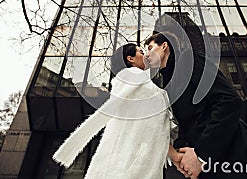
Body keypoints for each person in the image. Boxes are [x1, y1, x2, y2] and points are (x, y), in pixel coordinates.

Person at [145, 32, 247, 179]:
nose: (147, 55)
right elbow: (187, 124)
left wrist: (201, 154)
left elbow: (229, 101)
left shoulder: (188, 59)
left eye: (150, 48)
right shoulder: (166, 84)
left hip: (235, 157)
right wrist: (182, 158)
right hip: (208, 166)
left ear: (164, 46)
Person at [53, 43, 182, 178]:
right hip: (128, 164)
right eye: (140, 52)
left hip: (131, 160)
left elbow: (152, 126)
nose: (145, 55)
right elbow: (151, 125)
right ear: (130, 59)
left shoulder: (139, 81)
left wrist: (173, 154)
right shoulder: (131, 76)